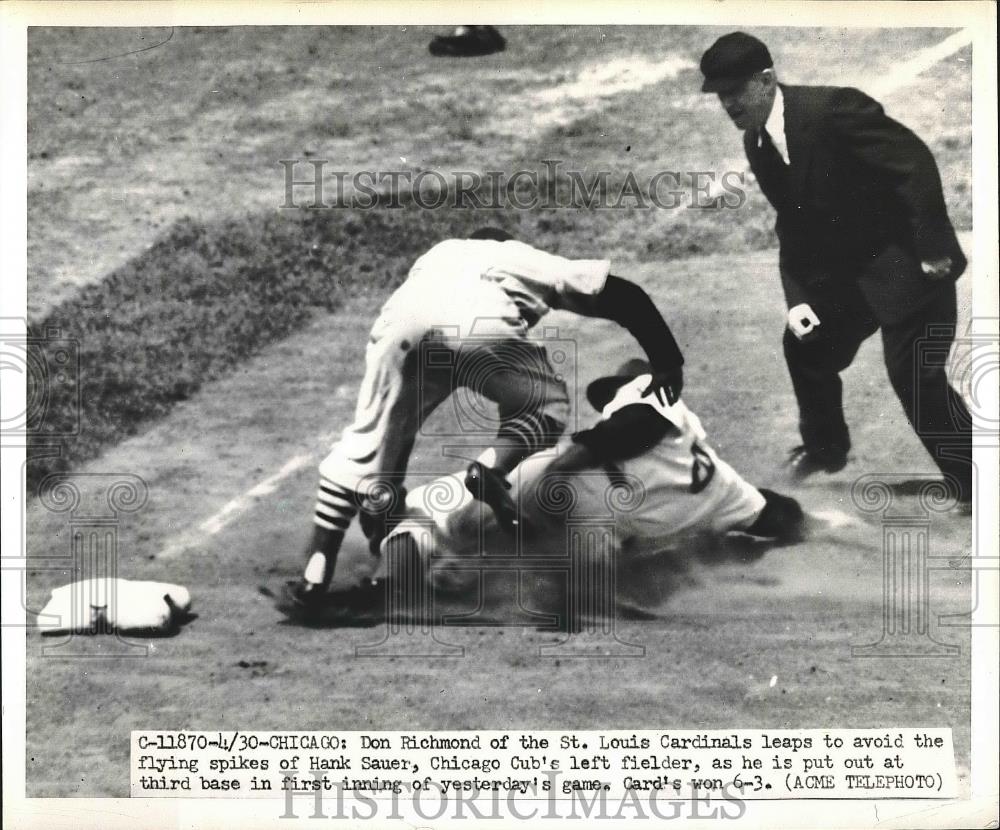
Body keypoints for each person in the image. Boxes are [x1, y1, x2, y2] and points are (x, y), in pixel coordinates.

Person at [277, 230, 685, 621]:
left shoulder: (435, 258)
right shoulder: (515, 256)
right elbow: (623, 295)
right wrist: (667, 360)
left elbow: (397, 442)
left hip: (399, 323)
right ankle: (490, 467)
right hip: (480, 321)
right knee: (546, 406)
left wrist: (384, 505)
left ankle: (314, 577)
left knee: (372, 441)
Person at [699, 32, 972, 510]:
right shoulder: (758, 142)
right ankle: (826, 449)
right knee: (804, 344)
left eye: (735, 91)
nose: (728, 104)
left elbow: (913, 162)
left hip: (908, 262)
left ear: (766, 81)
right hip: (851, 278)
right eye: (720, 95)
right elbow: (794, 223)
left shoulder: (830, 111)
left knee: (912, 373)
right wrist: (798, 299)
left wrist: (931, 245)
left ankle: (979, 479)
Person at [336, 358, 805, 624]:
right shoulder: (726, 487)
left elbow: (633, 423)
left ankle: (387, 585)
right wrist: (809, 524)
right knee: (534, 551)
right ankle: (492, 573)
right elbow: (775, 514)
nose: (606, 404)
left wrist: (564, 466)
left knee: (434, 516)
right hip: (591, 531)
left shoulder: (646, 391)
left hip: (557, 488)